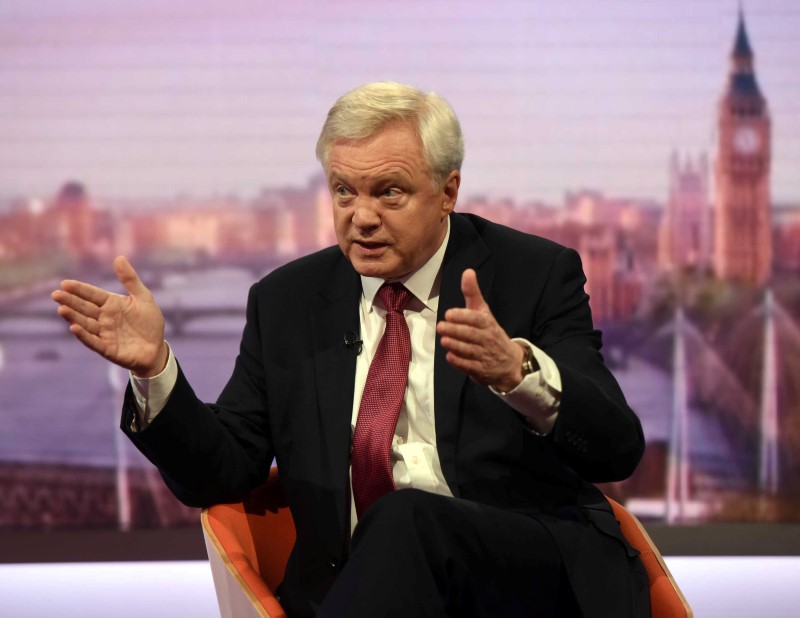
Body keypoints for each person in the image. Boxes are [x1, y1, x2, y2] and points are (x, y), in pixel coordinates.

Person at [52, 82, 649, 617]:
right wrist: (156, 370)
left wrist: (519, 373)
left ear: (448, 191)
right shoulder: (287, 301)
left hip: (525, 578)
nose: (360, 218)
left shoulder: (532, 274)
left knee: (408, 517)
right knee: (398, 532)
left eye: (389, 193)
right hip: (360, 593)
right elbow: (223, 470)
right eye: (343, 191)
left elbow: (615, 449)